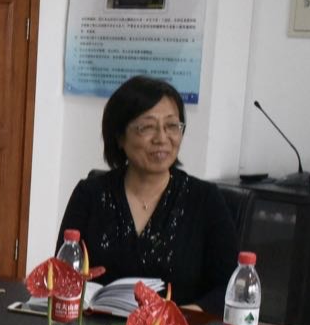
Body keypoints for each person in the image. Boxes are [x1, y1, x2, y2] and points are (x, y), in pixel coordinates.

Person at [58, 75, 239, 311]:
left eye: (171, 126)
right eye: (147, 127)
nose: (162, 138)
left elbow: (230, 287)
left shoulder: (204, 200)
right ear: (120, 137)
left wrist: (183, 315)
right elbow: (63, 273)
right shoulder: (90, 195)